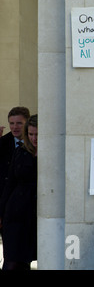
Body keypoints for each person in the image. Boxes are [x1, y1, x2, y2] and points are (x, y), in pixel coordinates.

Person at [0, 114, 38, 270]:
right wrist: (1, 212)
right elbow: (10, 183)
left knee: (28, 260)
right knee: (13, 260)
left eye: (37, 134)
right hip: (16, 213)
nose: (34, 138)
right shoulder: (21, 151)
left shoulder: (53, 154)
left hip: (37, 214)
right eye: (30, 134)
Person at [0, 107, 31, 200]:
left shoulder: (36, 142)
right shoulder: (2, 143)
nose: (15, 127)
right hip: (6, 198)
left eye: (19, 123)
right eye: (12, 123)